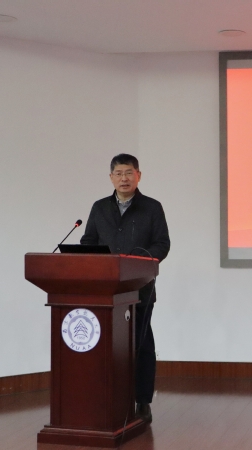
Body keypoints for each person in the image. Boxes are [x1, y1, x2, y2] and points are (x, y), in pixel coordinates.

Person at [80, 153, 170, 422]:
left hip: (140, 288)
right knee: (106, 346)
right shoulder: (99, 208)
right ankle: (108, 398)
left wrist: (136, 263)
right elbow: (88, 242)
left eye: (129, 173)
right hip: (106, 291)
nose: (124, 178)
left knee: (141, 344)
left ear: (138, 175)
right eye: (118, 173)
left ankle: (142, 400)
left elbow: (162, 244)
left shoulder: (152, 207)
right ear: (111, 178)